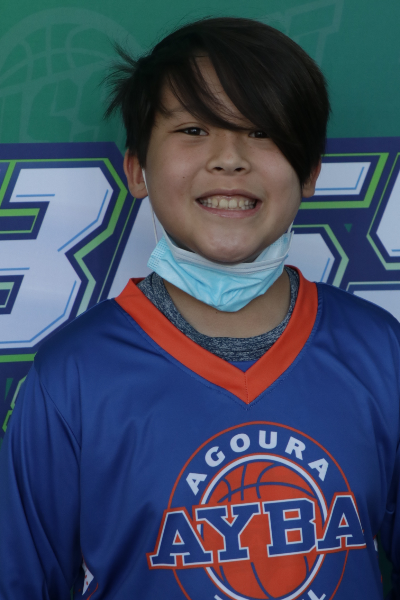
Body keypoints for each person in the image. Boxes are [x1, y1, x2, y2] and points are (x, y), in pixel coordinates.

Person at [0, 16, 399, 600]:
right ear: (137, 169)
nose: (229, 158)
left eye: (261, 131)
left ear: (310, 171)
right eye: (192, 128)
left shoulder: (382, 353)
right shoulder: (72, 377)